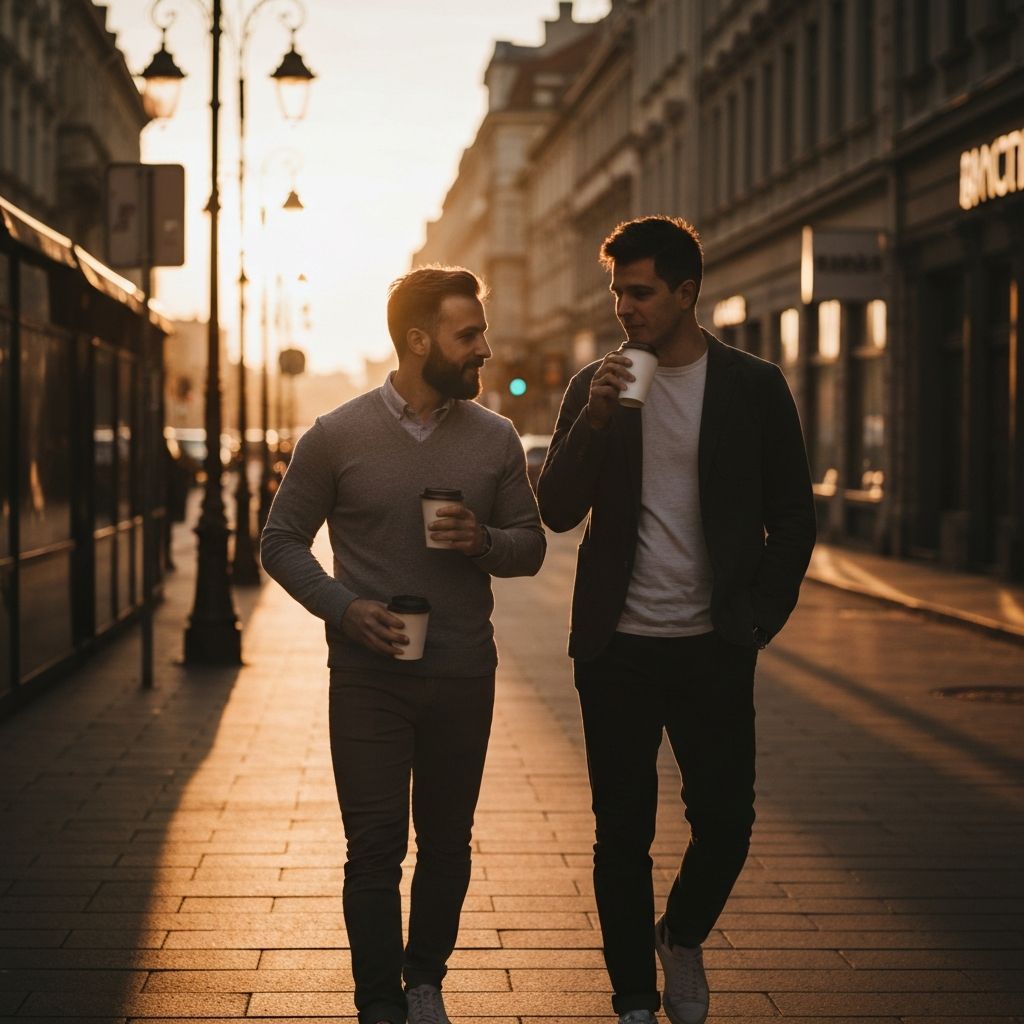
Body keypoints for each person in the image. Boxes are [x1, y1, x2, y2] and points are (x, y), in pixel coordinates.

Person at [537, 216, 815, 1024]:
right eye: (618, 291)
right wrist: (591, 420)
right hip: (616, 650)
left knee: (726, 820)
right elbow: (555, 511)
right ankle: (630, 999)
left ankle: (681, 936)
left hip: (714, 647)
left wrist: (759, 615)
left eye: (642, 291)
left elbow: (792, 515)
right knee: (620, 835)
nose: (625, 306)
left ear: (688, 293)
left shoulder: (752, 386)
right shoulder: (600, 382)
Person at [261, 266, 546, 1024]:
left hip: (462, 672)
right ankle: (377, 1000)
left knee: (448, 842)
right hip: (367, 675)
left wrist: (484, 540)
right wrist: (342, 608)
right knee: (376, 847)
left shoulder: (495, 438)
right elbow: (281, 541)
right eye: (469, 334)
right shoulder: (336, 435)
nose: (484, 347)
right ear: (419, 341)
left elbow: (531, 547)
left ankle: (425, 982)